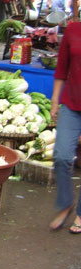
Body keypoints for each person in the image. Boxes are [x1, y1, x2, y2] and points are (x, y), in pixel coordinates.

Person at [49, 20, 81, 233]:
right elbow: (61, 69)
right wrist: (54, 101)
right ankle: (65, 203)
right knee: (61, 155)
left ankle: (80, 214)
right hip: (71, 103)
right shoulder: (73, 29)